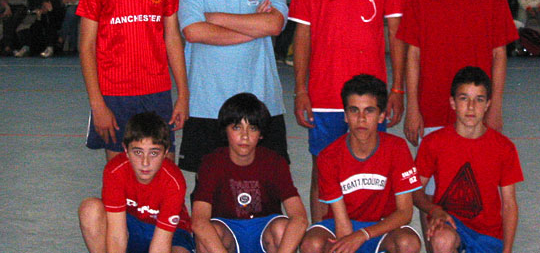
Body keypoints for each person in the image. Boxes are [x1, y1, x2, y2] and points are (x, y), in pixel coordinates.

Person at [289, 0, 406, 222]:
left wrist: (397, 89)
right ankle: (321, 237)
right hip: (324, 94)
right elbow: (302, 34)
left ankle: (370, 240)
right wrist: (300, 90)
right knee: (322, 174)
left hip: (371, 97)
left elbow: (397, 33)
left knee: (374, 176)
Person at [177, 0, 289, 174]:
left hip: (262, 102)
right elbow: (194, 32)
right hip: (206, 104)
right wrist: (254, 25)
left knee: (266, 190)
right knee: (208, 193)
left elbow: (274, 25)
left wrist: (214, 18)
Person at [76, 0, 189, 162]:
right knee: (119, 175)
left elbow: (172, 38)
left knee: (164, 171)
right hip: (114, 95)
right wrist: (97, 103)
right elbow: (86, 46)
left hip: (157, 92)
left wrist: (183, 94)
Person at [397, 0, 517, 146]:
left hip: (478, 115)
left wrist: (495, 107)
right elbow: (413, 55)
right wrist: (412, 107)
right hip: (431, 111)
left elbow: (499, 55)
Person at [300, 74, 422, 253]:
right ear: (345, 116)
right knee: (311, 244)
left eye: (369, 111)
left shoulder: (397, 148)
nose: (361, 118)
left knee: (407, 243)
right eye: (354, 110)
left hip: (383, 226)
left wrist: (364, 234)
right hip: (341, 224)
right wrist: (353, 237)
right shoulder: (328, 156)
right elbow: (342, 225)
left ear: (381, 116)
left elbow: (405, 213)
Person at [413, 67, 523, 253]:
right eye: (464, 98)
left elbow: (509, 205)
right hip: (451, 225)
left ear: (488, 104)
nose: (471, 107)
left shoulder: (504, 147)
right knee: (442, 240)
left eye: (479, 99)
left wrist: (507, 250)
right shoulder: (433, 142)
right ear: (453, 102)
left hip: (489, 235)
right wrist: (434, 210)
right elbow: (415, 191)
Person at [192, 93, 308, 253]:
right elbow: (199, 221)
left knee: (283, 228)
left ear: (261, 134)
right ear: (225, 130)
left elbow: (299, 218)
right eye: (237, 127)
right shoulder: (211, 163)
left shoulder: (274, 162)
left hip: (265, 232)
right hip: (228, 232)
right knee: (207, 236)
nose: (245, 136)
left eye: (252, 128)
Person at [78, 111, 194, 253]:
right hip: (129, 226)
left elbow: (160, 246)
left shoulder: (174, 181)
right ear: (126, 150)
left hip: (169, 233)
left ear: (165, 152)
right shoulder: (115, 171)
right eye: (138, 152)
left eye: (154, 153)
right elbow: (116, 235)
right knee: (90, 209)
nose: (145, 162)